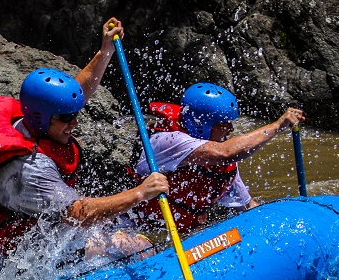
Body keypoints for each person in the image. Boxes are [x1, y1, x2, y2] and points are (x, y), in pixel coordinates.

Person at [0, 18, 169, 262]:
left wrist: (104, 50)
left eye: (74, 114)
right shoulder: (31, 168)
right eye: (67, 117)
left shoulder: (29, 122)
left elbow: (73, 95)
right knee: (138, 246)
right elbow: (77, 213)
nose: (74, 123)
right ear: (41, 118)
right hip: (24, 258)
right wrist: (139, 193)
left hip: (29, 232)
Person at [130, 82, 306, 233]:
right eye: (223, 124)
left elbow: (246, 206)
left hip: (185, 233)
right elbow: (225, 152)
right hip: (140, 229)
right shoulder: (168, 142)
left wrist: (279, 222)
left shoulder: (217, 162)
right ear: (201, 125)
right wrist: (276, 126)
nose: (230, 129)